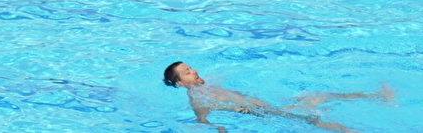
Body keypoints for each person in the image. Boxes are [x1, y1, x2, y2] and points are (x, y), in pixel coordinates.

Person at [162, 62, 393, 133]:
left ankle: (377, 97)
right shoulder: (196, 96)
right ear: (180, 83)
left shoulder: (206, 83)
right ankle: (352, 129)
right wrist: (217, 128)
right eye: (187, 72)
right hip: (263, 111)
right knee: (312, 117)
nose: (194, 71)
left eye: (190, 67)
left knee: (318, 97)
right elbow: (201, 117)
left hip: (267, 104)